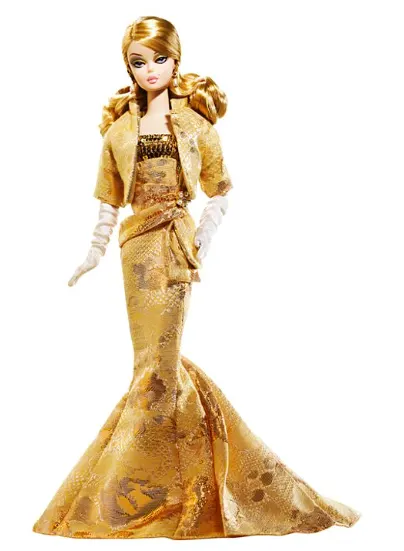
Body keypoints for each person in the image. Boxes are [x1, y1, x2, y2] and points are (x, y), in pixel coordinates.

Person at [32, 15, 361, 540]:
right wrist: (93, 252)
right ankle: (165, 485)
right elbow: (108, 201)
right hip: (136, 250)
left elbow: (221, 190)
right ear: (128, 68)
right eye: (139, 62)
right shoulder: (118, 132)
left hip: (176, 246)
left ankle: (152, 489)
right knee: (150, 364)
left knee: (159, 366)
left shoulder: (195, 125)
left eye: (159, 59)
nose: (150, 70)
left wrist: (204, 236)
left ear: (175, 60)